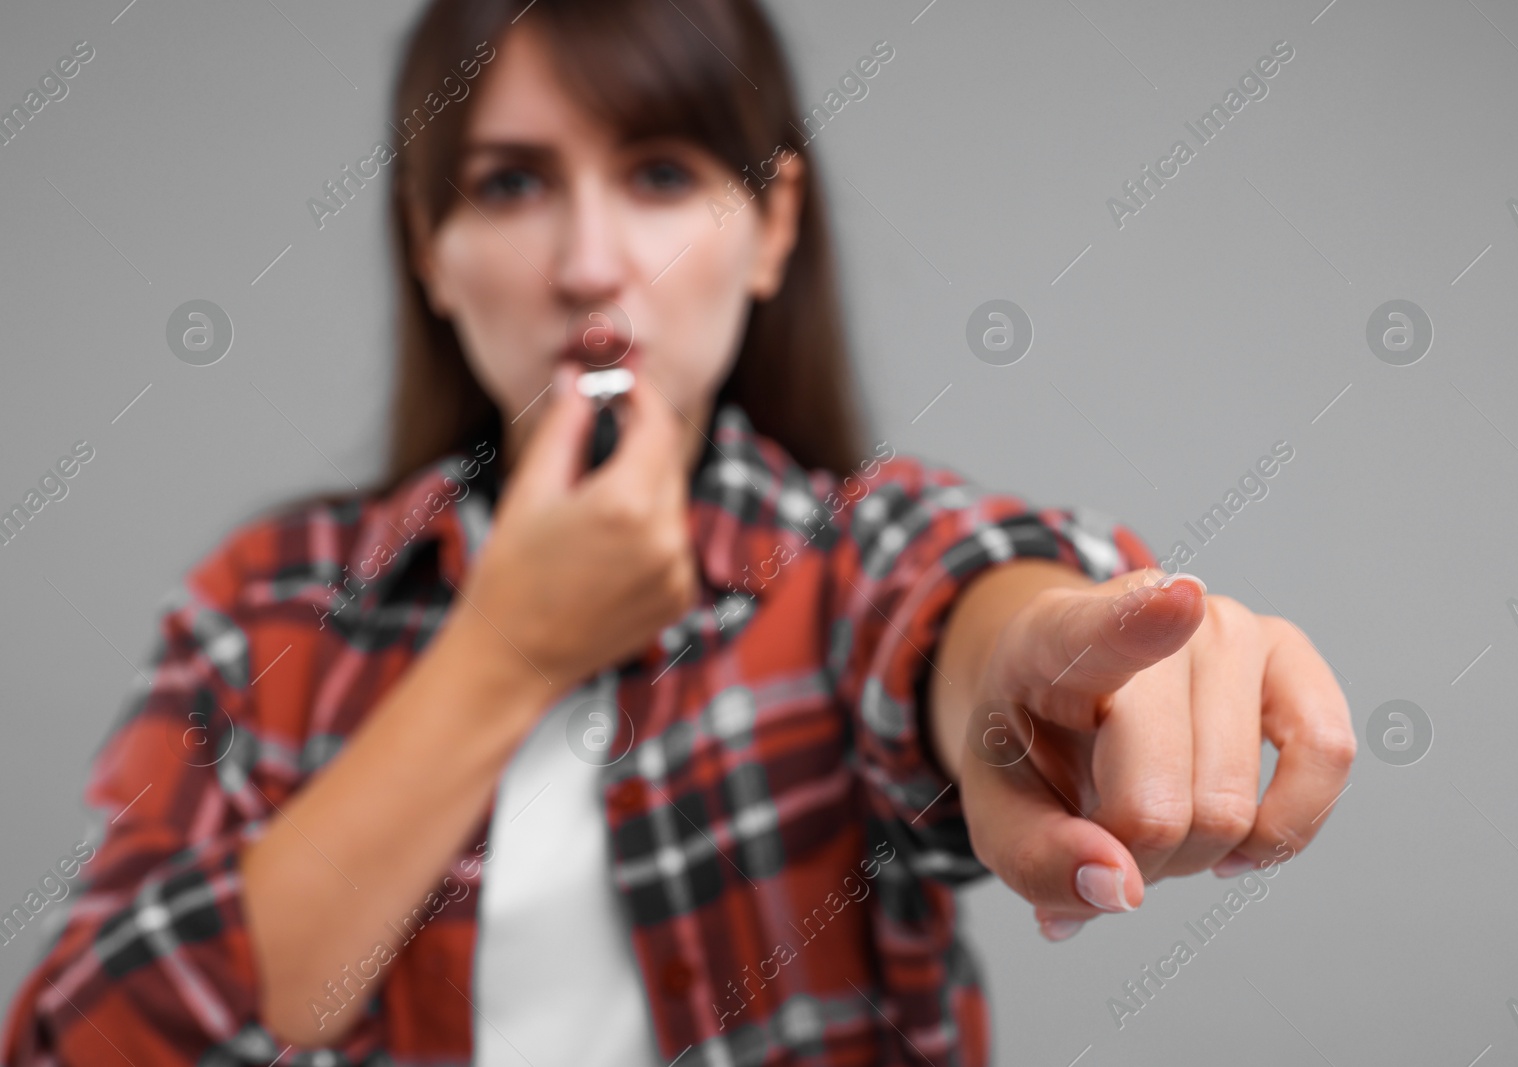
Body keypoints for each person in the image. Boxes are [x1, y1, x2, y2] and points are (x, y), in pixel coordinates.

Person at [1, 0, 1355, 1063]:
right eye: (512, 185)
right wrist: (507, 654)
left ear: (770, 230)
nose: (590, 262)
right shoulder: (269, 604)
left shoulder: (843, 561)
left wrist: (1039, 660)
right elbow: (91, 1045)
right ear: (430, 248)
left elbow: (954, 598)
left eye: (659, 174)